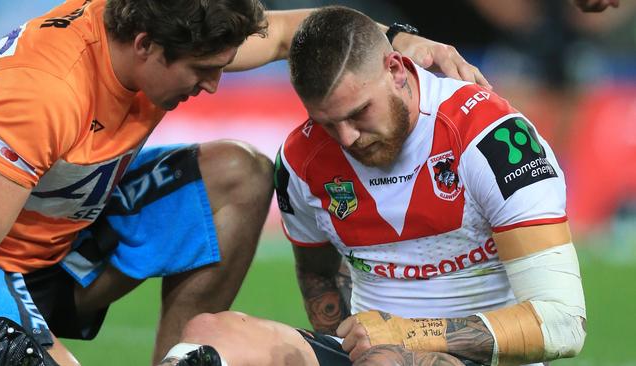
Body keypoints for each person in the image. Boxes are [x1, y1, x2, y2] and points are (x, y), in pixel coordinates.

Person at [0, 0, 489, 365]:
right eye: (203, 70)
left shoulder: (163, 21)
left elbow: (294, 32)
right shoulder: (41, 95)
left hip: (61, 233)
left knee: (239, 175)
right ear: (145, 46)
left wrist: (400, 39)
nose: (212, 86)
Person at [167, 5, 587, 366]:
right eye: (327, 123)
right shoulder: (300, 160)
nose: (347, 138)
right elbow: (319, 279)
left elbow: (563, 323)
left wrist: (409, 335)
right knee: (208, 335)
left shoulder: (492, 138)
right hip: (372, 353)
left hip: (476, 357)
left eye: (359, 113)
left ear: (396, 69)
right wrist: (353, 341)